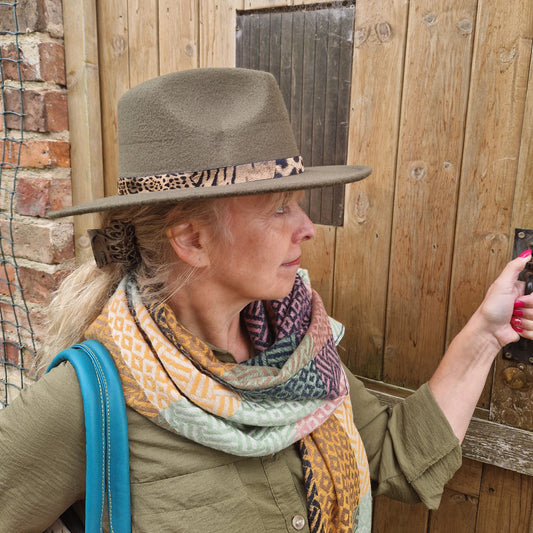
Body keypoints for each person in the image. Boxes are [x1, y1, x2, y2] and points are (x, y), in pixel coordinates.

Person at [0, 68, 531, 533]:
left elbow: (397, 456)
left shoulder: (300, 348)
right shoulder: (89, 397)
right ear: (193, 241)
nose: (307, 228)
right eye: (279, 207)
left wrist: (488, 331)